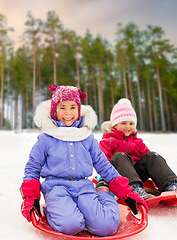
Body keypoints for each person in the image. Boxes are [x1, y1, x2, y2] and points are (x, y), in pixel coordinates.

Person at [20, 85, 148, 237]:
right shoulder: (46, 139)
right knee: (70, 225)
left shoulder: (86, 138)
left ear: (79, 110)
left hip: (84, 188)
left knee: (106, 227)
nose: (68, 113)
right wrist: (31, 197)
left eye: (73, 107)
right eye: (62, 107)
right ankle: (53, 210)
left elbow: (104, 165)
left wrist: (127, 193)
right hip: (56, 189)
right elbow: (32, 168)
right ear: (54, 111)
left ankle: (103, 194)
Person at [99, 98, 177, 200]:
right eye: (123, 123)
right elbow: (102, 163)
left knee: (152, 156)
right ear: (114, 125)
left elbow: (150, 163)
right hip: (118, 178)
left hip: (137, 177)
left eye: (131, 123)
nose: (128, 127)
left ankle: (171, 186)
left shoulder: (138, 143)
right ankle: (133, 189)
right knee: (119, 156)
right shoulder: (108, 141)